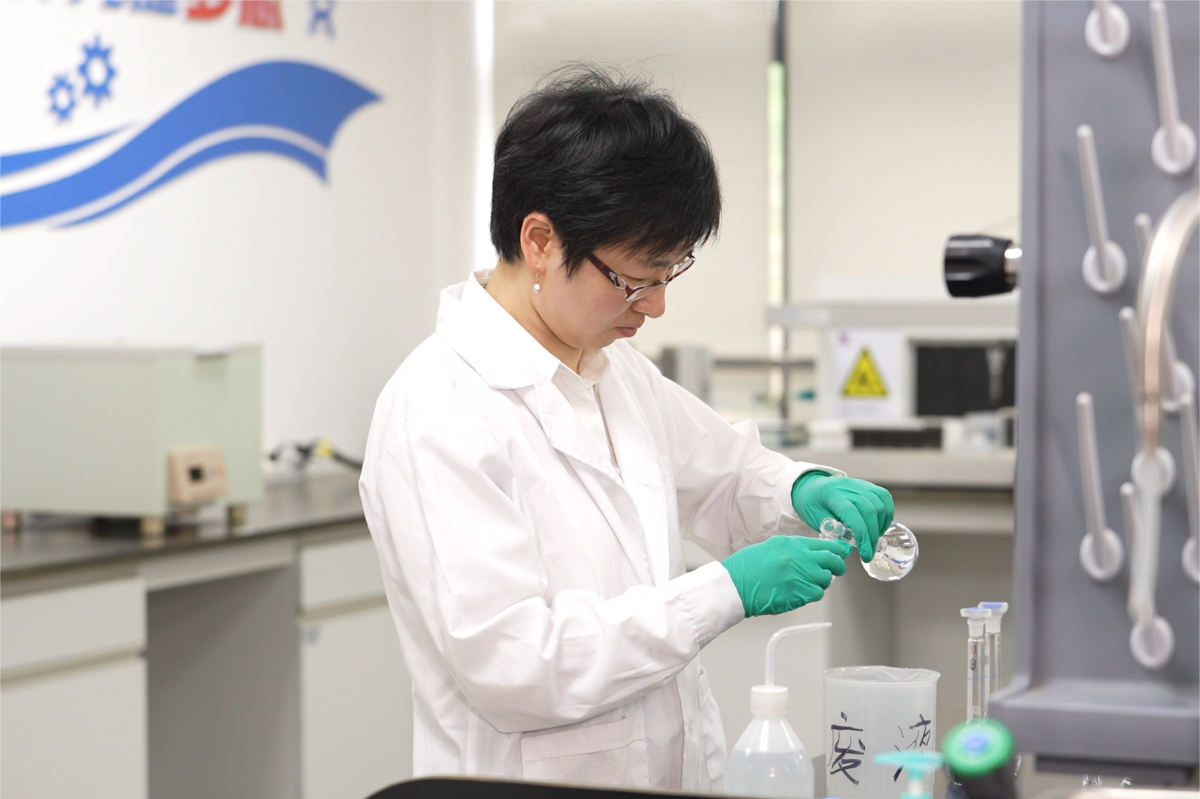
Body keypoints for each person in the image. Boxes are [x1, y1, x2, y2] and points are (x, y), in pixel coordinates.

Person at [359, 66, 894, 793]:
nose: (657, 305)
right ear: (540, 240)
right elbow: (514, 665)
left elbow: (724, 473)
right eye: (636, 277)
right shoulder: (440, 407)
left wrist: (801, 488)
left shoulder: (612, 370)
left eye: (671, 272)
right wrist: (723, 592)